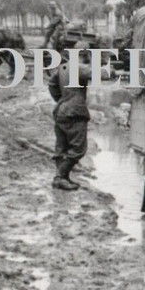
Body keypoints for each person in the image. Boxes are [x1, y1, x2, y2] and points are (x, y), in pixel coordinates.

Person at [47, 42, 92, 190]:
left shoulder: (62, 68)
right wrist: (116, 71)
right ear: (84, 55)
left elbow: (52, 84)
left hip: (61, 111)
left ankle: (64, 178)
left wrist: (62, 99)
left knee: (61, 147)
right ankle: (59, 177)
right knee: (78, 148)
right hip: (75, 113)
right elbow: (98, 73)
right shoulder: (79, 67)